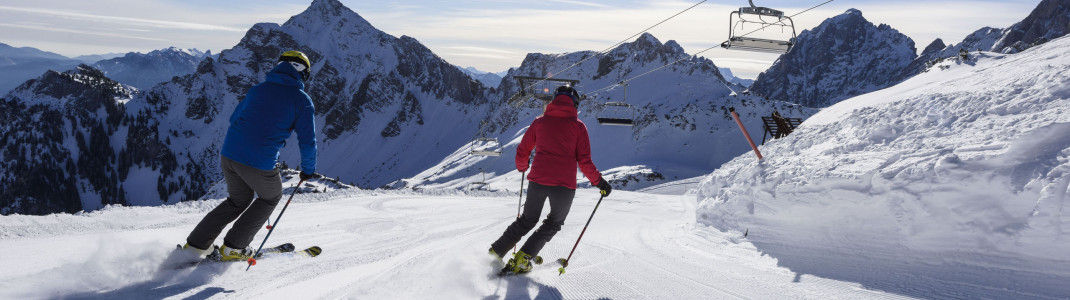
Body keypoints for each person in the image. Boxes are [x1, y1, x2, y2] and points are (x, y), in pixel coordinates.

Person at [181, 50, 318, 261]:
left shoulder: (257, 90)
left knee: (237, 200)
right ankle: (234, 247)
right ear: (303, 73)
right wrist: (308, 170)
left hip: (229, 154)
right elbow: (307, 141)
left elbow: (235, 117)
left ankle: (195, 246)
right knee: (270, 197)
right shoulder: (302, 100)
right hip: (259, 161)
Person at [489, 85, 613, 275]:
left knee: (527, 220)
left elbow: (523, 150)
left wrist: (522, 166)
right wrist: (600, 183)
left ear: (554, 101)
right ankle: (524, 258)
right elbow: (585, 161)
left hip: (537, 181)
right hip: (563, 186)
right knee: (553, 223)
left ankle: (496, 252)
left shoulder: (540, 122)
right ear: (575, 103)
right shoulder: (579, 127)